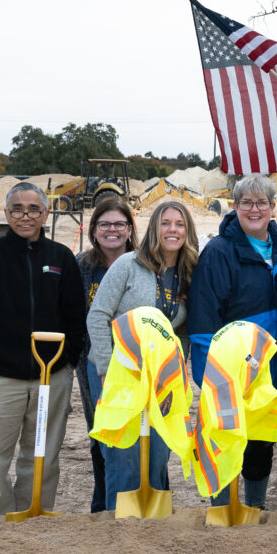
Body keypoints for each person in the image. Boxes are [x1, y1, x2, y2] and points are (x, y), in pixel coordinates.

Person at [0, 181, 86, 516]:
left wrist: (67, 362)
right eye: (17, 209)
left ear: (45, 213)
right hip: (0, 378)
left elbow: (75, 314)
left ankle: (34, 518)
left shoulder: (61, 258)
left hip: (51, 377)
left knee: (42, 454)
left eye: (32, 209)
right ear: (6, 213)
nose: (25, 215)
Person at [189, 174, 277, 509]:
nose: (254, 209)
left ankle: (255, 505)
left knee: (261, 438)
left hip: (270, 367)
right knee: (225, 436)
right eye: (246, 202)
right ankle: (223, 507)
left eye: (261, 202)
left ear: (273, 208)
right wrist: (210, 373)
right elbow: (205, 313)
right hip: (228, 369)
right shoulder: (219, 252)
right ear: (235, 207)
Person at [86, 201, 198, 511]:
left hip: (161, 377)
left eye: (179, 224)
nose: (172, 230)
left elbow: (184, 331)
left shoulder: (189, 272)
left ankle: (152, 525)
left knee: (158, 450)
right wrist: (108, 370)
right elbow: (98, 316)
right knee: (122, 451)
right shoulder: (128, 264)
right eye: (165, 223)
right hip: (118, 375)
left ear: (187, 231)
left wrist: (175, 369)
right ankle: (118, 525)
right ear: (153, 229)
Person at [75, 197, 137, 513]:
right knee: (101, 433)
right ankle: (103, 502)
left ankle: (139, 499)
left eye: (119, 224)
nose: (112, 230)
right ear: (94, 229)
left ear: (129, 229)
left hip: (137, 367)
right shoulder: (81, 266)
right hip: (93, 364)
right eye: (105, 224)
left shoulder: (143, 264)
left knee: (140, 436)